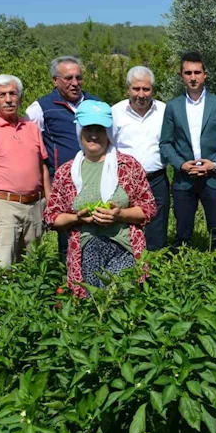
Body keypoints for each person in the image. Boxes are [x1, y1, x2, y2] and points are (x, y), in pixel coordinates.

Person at [43, 101, 156, 296]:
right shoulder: (67, 172)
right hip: (84, 249)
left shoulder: (128, 166)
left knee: (119, 298)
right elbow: (52, 217)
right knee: (92, 303)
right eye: (88, 129)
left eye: (100, 129)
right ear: (79, 130)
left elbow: (148, 209)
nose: (94, 135)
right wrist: (77, 218)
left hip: (123, 246)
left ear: (108, 132)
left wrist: (119, 215)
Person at [0, 75, 51, 266]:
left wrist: (50, 202)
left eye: (13, 94)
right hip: (2, 205)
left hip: (35, 205)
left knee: (33, 264)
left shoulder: (31, 128)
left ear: (20, 98)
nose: (8, 99)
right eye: (1, 95)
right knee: (1, 264)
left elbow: (43, 167)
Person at [160, 52, 216, 252]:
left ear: (205, 74)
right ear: (181, 76)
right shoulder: (173, 107)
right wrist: (181, 165)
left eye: (197, 72)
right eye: (188, 73)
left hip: (213, 177)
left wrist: (215, 163)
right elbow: (165, 143)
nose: (193, 77)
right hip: (184, 179)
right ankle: (180, 273)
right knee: (182, 232)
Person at [26, 56, 100, 261]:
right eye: (68, 78)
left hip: (96, 178)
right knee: (68, 236)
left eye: (79, 77)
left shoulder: (96, 104)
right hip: (63, 182)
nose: (75, 83)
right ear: (55, 80)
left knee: (97, 229)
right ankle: (68, 280)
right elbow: (29, 145)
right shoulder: (41, 108)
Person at [111, 66, 169, 251]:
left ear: (153, 89)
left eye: (146, 89)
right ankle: (126, 270)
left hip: (157, 179)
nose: (141, 94)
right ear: (128, 89)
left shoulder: (164, 111)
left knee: (157, 227)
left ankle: (154, 269)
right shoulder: (115, 112)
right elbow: (109, 146)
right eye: (136, 89)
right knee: (125, 226)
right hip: (124, 181)